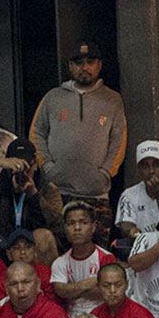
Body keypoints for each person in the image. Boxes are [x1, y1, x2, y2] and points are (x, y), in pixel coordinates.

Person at [30, 40, 127, 206]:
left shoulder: (113, 100)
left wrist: (105, 172)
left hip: (96, 194)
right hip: (55, 192)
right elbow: (36, 133)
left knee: (97, 233)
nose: (85, 67)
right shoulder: (52, 97)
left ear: (100, 65)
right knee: (53, 233)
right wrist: (47, 166)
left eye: (91, 62)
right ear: (70, 66)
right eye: (79, 63)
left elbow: (119, 140)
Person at [0, 137, 60, 262]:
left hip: (35, 250)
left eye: (26, 166)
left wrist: (33, 195)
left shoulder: (47, 188)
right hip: (3, 246)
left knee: (43, 236)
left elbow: (57, 226)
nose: (21, 172)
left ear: (35, 164)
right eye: (16, 166)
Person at [49, 201, 116, 316]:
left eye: (83, 222)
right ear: (65, 228)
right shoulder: (59, 262)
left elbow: (106, 292)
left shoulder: (106, 257)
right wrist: (92, 283)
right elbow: (60, 291)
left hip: (101, 316)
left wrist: (71, 289)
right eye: (71, 223)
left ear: (93, 226)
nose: (77, 228)